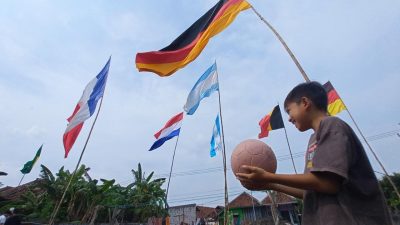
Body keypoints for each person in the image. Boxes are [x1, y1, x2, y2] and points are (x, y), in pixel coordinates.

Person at [236, 81, 393, 225]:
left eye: (289, 111)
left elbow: (329, 184)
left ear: (305, 103)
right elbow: (311, 190)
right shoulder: (314, 139)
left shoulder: (332, 125)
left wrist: (269, 176)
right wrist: (270, 184)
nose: (289, 119)